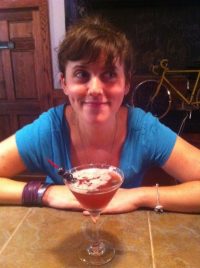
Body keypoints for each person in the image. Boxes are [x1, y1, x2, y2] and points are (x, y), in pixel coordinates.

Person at [0, 16, 200, 213]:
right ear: (64, 83)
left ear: (126, 84)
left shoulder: (144, 129)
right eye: (81, 74)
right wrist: (47, 193)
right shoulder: (49, 129)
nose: (95, 89)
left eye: (110, 74)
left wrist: (137, 196)